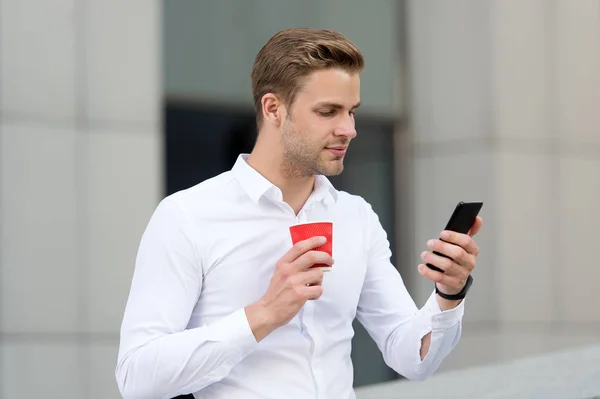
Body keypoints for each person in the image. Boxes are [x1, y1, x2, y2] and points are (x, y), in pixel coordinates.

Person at [115, 28, 483, 399]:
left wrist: (447, 294)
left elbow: (410, 358)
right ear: (273, 108)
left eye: (351, 112)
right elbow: (137, 378)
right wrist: (264, 314)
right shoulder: (187, 216)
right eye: (328, 112)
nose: (349, 130)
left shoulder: (356, 217)